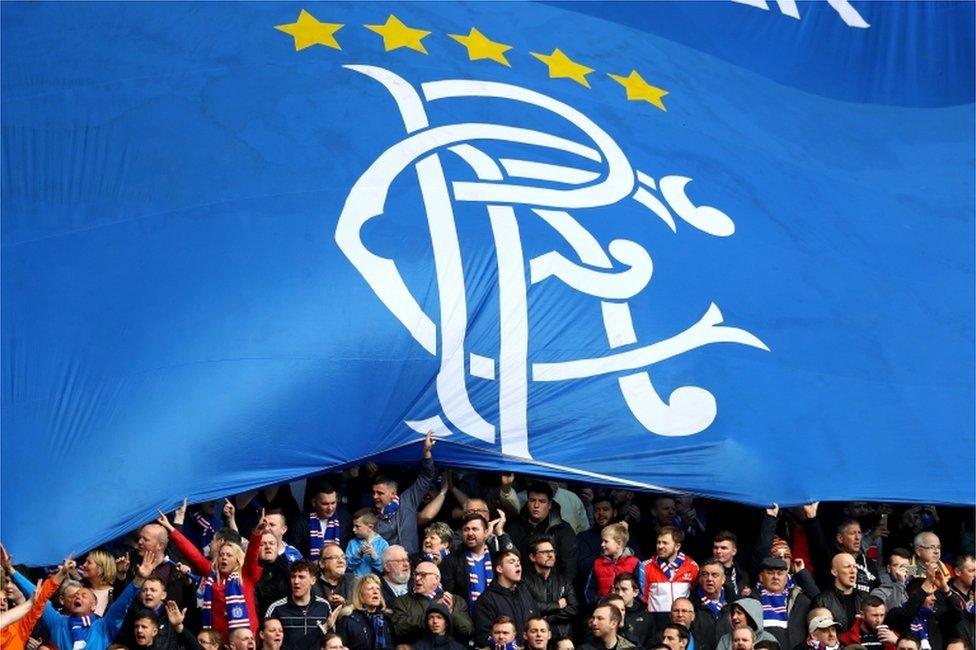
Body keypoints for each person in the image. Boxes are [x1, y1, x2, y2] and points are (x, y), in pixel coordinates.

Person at [12, 550, 162, 650]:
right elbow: (39, 597)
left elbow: (121, 604)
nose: (78, 596)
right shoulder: (57, 622)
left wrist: (139, 579)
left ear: (93, 606)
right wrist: (12, 571)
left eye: (84, 595)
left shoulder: (102, 627)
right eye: (76, 595)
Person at [164, 509, 265, 640]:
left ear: (237, 559)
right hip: (217, 642)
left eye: (229, 555)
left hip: (244, 641)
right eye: (221, 555)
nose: (224, 558)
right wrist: (170, 529)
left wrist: (257, 534)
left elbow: (252, 555)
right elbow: (193, 554)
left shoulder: (245, 575)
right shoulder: (212, 574)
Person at [371, 431, 437, 554]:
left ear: (393, 493)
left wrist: (426, 452)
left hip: (411, 560)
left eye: (380, 493)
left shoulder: (407, 501)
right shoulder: (371, 517)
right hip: (386, 566)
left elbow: (426, 477)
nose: (375, 496)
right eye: (373, 492)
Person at [507, 483, 579, 583]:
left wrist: (562, 592)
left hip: (552, 590)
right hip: (519, 589)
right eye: (532, 500)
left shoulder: (563, 529)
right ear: (527, 502)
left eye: (542, 501)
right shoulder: (514, 526)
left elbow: (570, 567)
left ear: (549, 505)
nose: (536, 505)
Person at [390, 560, 472, 646]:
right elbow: (398, 629)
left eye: (423, 575)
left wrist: (450, 612)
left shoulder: (455, 600)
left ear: (436, 579)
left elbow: (467, 630)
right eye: (416, 574)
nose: (417, 578)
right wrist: (433, 611)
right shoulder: (402, 601)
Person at [1, 552, 70, 650]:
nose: (2, 603)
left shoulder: (18, 630)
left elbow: (40, 600)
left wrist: (62, 573)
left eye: (4, 600)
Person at [441, 514, 512, 609]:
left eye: (474, 529)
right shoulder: (450, 560)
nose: (470, 533)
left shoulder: (496, 557)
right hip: (465, 618)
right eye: (466, 529)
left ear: (486, 532)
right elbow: (448, 596)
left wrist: (500, 533)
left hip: (496, 615)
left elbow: (513, 559)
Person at [474, 549, 539, 643]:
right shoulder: (487, 600)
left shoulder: (526, 595)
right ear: (499, 569)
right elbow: (484, 636)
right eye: (511, 562)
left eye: (518, 562)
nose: (517, 564)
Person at [754, 556, 819, 650]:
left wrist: (802, 573)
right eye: (770, 573)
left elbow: (820, 602)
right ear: (761, 577)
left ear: (786, 578)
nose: (775, 577)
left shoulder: (799, 600)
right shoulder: (750, 601)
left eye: (780, 574)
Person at [265, 560, 332, 650]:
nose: (296, 581)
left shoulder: (324, 606)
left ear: (313, 580)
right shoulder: (276, 608)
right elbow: (266, 640)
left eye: (301, 577)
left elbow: (331, 639)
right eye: (293, 577)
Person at [642, 526, 700, 628]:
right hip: (655, 621)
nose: (660, 546)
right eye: (658, 542)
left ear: (677, 546)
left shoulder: (692, 566)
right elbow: (643, 597)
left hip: (682, 620)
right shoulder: (646, 567)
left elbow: (696, 595)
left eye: (665, 543)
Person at [523, 536, 578, 640]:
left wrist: (549, 618)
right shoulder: (524, 581)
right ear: (532, 557)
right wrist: (557, 605)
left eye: (552, 551)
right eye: (544, 552)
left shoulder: (564, 581)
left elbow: (573, 608)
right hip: (535, 636)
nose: (550, 555)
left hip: (562, 635)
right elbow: (529, 607)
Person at [288, 486, 352, 561]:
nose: (330, 508)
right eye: (325, 504)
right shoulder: (300, 522)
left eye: (333, 503)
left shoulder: (344, 518)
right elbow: (294, 551)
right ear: (314, 502)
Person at [335, 574, 394, 650]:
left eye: (378, 589)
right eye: (370, 589)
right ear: (360, 595)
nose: (375, 592)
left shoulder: (388, 619)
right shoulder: (348, 620)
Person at [587, 523, 641, 604]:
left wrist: (631, 606)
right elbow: (589, 592)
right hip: (605, 610)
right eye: (602, 541)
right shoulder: (597, 564)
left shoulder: (634, 563)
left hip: (629, 612)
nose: (602, 544)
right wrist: (602, 602)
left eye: (606, 541)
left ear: (619, 543)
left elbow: (641, 590)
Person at [813, 554, 865, 630]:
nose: (853, 570)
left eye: (855, 567)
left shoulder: (864, 598)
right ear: (834, 572)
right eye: (847, 566)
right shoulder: (821, 601)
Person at [578, 496, 621, 581]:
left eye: (605, 509)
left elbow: (637, 562)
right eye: (597, 510)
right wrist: (606, 553)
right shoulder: (584, 537)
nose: (600, 513)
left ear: (614, 512)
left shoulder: (624, 535)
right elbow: (583, 567)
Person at [693, 558, 729, 650]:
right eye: (705, 575)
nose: (709, 579)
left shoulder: (735, 605)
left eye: (715, 575)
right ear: (700, 579)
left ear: (723, 579)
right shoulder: (690, 607)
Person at [613, 573, 655, 649]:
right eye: (617, 589)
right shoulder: (607, 614)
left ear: (635, 592)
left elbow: (651, 645)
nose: (619, 594)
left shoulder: (646, 617)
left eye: (624, 589)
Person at [345, 509, 389, 578]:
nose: (353, 529)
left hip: (375, 585)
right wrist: (358, 555)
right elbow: (347, 567)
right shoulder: (352, 543)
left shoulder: (383, 544)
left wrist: (374, 557)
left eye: (357, 526)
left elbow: (385, 570)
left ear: (370, 527)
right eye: (353, 526)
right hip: (356, 584)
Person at [80, 550, 118, 616]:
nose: (84, 565)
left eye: (89, 562)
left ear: (100, 570)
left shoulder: (114, 593)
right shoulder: (80, 590)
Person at [713, 533, 750, 600]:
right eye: (716, 547)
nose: (718, 551)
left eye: (723, 548)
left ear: (734, 551)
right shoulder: (708, 572)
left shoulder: (743, 574)